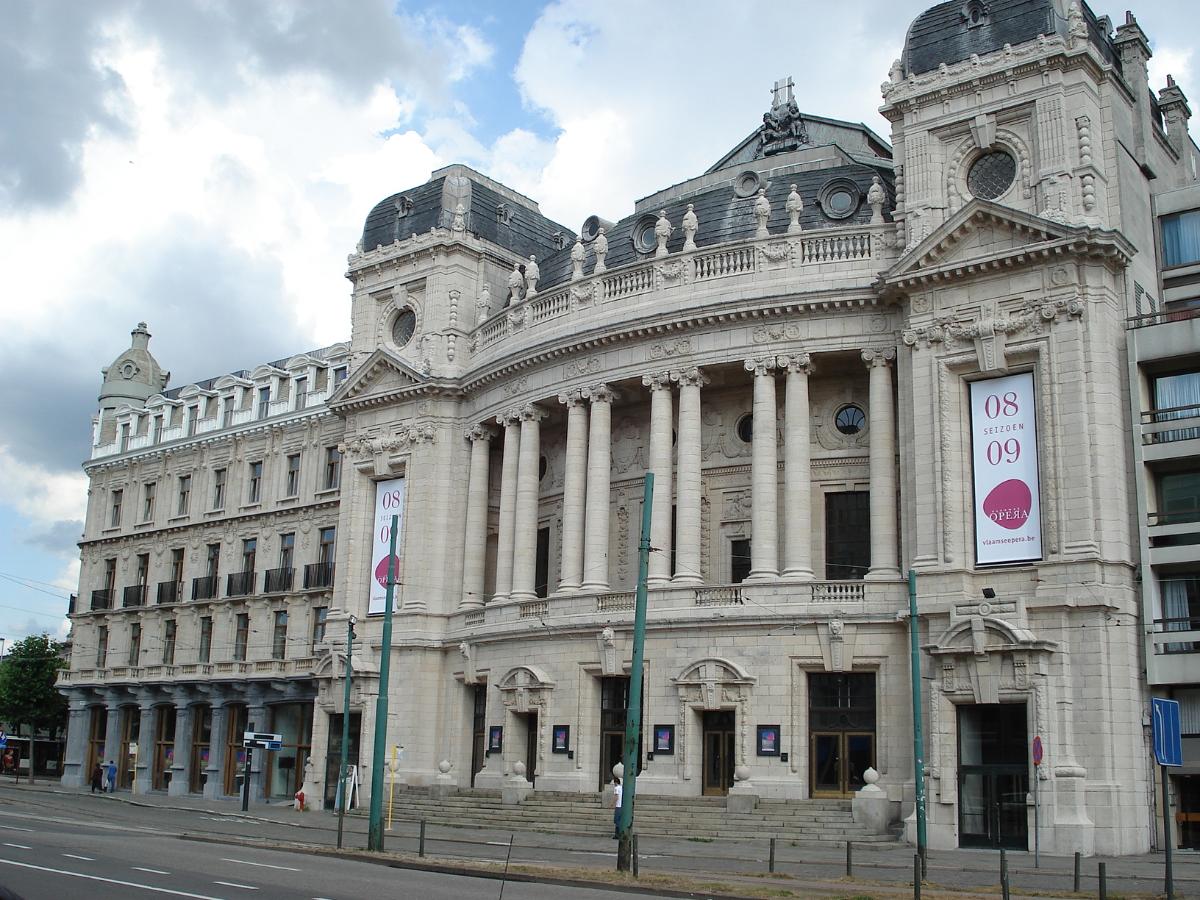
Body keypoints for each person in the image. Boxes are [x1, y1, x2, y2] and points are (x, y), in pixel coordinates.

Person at [612, 775, 622, 839]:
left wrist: (612, 803)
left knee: (616, 820)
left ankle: (617, 834)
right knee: (620, 820)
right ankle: (620, 833)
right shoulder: (622, 787)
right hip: (622, 806)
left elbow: (616, 797)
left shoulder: (616, 788)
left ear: (615, 782)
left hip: (618, 806)